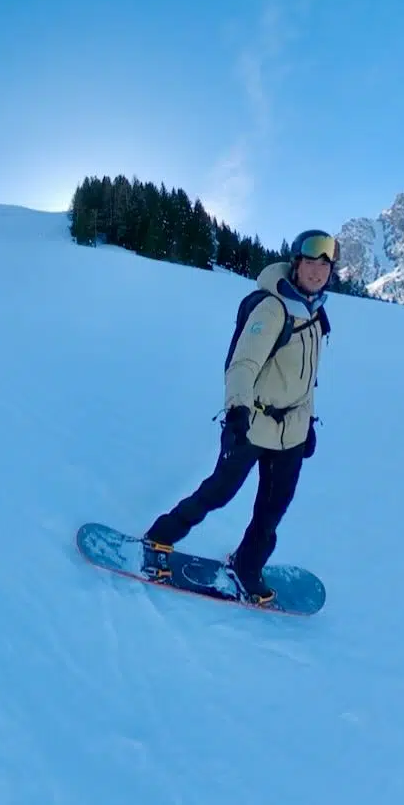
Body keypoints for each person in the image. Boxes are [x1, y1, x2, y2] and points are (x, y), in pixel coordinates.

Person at [142, 229, 338, 603]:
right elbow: (243, 365)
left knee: (272, 509)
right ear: (296, 264)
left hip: (292, 432)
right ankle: (161, 536)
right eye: (310, 263)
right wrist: (237, 412)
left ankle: (248, 564)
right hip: (252, 423)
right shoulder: (272, 308)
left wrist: (308, 422)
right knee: (219, 492)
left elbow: (307, 379)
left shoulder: (316, 314)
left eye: (324, 266)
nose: (316, 272)